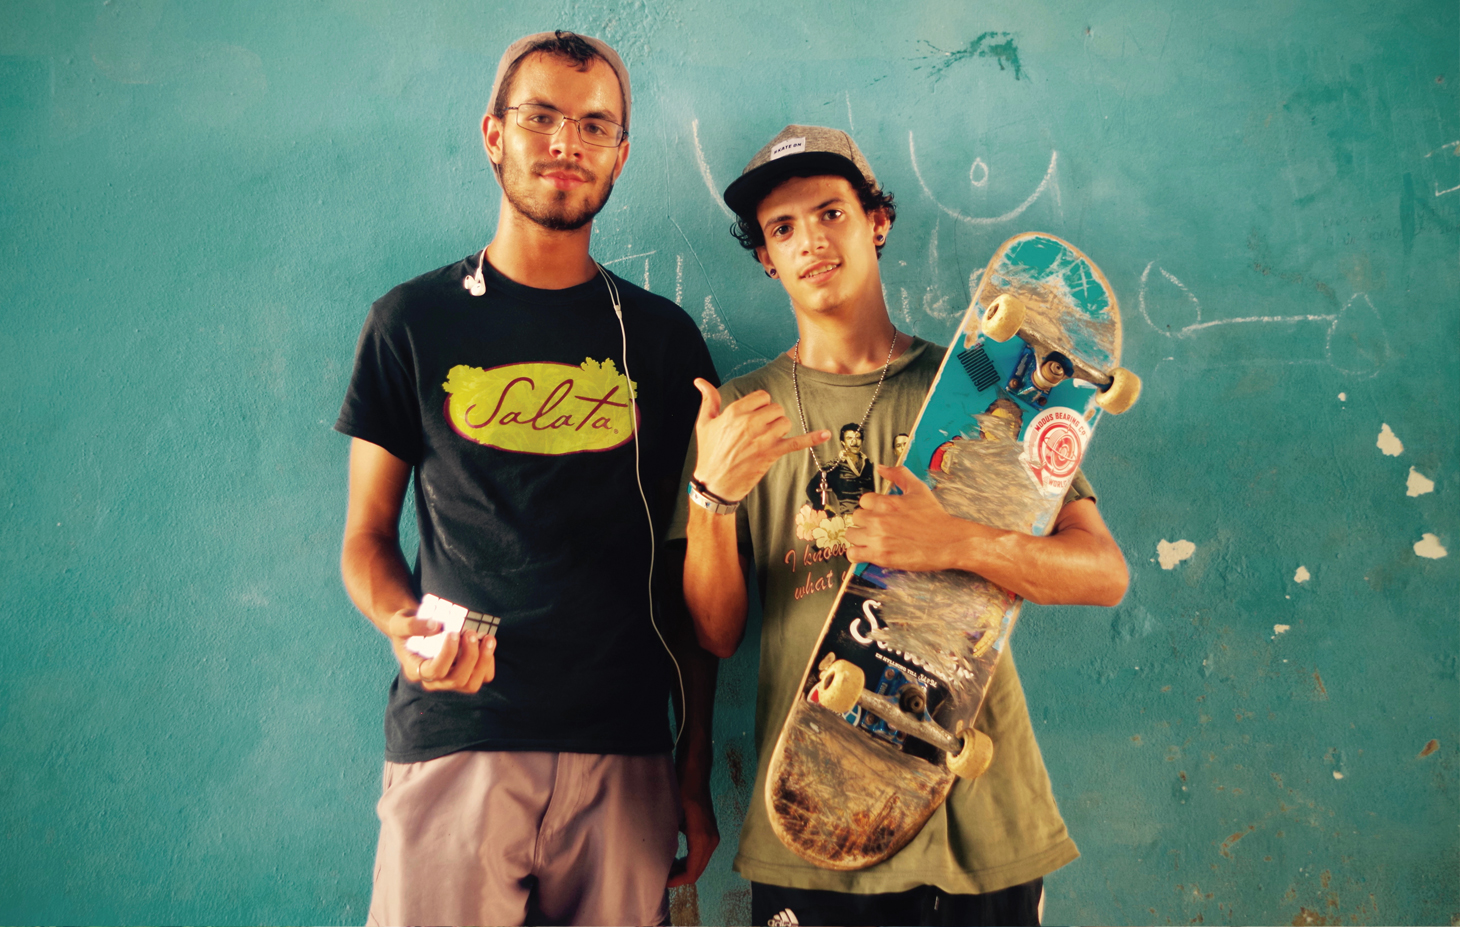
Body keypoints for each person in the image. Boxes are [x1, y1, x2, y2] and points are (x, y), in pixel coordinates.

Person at [675, 125, 1128, 927]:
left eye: (830, 213)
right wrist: (711, 499)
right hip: (814, 809)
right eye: (783, 229)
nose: (810, 241)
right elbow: (716, 634)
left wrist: (955, 543)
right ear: (765, 259)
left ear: (876, 221)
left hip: (979, 818)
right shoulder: (742, 417)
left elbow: (1103, 572)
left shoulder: (983, 388)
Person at [336, 31, 718, 927]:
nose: (565, 144)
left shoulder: (663, 344)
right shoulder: (410, 323)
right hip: (458, 739)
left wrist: (691, 770)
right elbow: (363, 535)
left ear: (620, 154)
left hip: (624, 755)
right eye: (540, 116)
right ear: (493, 134)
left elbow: (692, 573)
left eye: (594, 126)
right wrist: (404, 624)